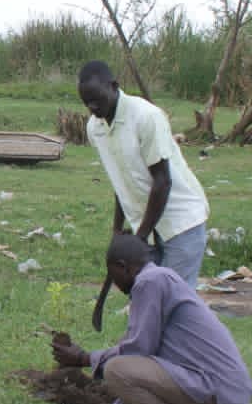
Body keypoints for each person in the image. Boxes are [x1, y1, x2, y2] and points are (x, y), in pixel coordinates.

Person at [51, 235, 252, 404]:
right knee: (122, 365)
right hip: (226, 391)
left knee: (115, 369)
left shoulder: (149, 282)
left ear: (123, 267)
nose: (115, 284)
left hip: (217, 390)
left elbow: (136, 352)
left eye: (112, 275)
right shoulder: (161, 278)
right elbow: (144, 359)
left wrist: (83, 358)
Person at [77, 60, 209, 288]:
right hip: (146, 231)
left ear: (114, 86)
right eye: (88, 103)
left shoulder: (145, 116)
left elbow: (162, 181)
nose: (94, 108)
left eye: (98, 100)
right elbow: (120, 182)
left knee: (174, 305)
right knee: (148, 299)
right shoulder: (95, 128)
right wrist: (118, 231)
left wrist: (138, 240)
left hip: (180, 223)